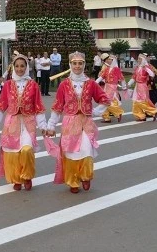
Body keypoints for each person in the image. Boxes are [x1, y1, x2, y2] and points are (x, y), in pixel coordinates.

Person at [46, 51, 110, 194]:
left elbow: (105, 100)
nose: (77, 66)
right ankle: (73, 181)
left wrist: (95, 111)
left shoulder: (91, 83)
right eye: (74, 63)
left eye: (80, 63)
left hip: (86, 123)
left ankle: (85, 176)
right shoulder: (64, 85)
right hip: (69, 123)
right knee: (71, 153)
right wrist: (50, 125)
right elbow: (57, 107)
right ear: (70, 65)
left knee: (86, 150)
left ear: (84, 65)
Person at [0, 54, 46, 191]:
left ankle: (27, 175)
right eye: (17, 66)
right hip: (11, 123)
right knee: (11, 152)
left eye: (22, 66)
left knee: (27, 149)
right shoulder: (8, 85)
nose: (19, 69)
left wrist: (43, 126)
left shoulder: (33, 85)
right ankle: (16, 178)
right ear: (13, 68)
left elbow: (39, 107)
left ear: (27, 67)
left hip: (28, 123)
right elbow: (1, 107)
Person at [127, 54, 157, 122]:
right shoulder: (137, 68)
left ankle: (153, 111)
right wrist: (129, 84)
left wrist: (146, 68)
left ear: (143, 60)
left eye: (140, 59)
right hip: (137, 86)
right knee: (135, 101)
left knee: (142, 101)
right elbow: (134, 77)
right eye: (138, 59)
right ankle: (141, 116)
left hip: (142, 86)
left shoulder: (146, 67)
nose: (138, 60)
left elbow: (152, 75)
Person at [95, 54, 126, 123]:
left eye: (111, 59)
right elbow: (101, 77)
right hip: (106, 86)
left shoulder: (116, 69)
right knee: (103, 101)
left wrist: (124, 86)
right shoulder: (107, 69)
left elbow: (122, 78)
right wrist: (95, 83)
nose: (109, 61)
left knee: (107, 101)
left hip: (112, 87)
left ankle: (117, 112)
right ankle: (106, 118)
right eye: (109, 59)